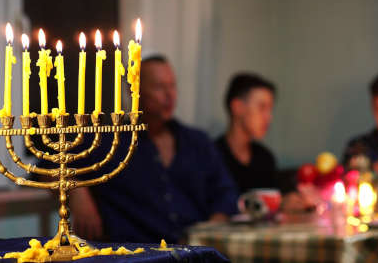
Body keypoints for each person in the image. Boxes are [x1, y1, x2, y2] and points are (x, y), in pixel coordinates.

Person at [57, 55, 238, 243]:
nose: (169, 95)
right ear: (134, 91)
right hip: (138, 253)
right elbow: (51, 163)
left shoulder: (197, 141)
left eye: (172, 86)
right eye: (159, 87)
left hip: (195, 249)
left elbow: (226, 192)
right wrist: (77, 191)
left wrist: (211, 229)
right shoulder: (109, 141)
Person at [215, 73, 310, 211]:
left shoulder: (264, 157)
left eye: (270, 109)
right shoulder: (213, 156)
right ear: (237, 107)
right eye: (261, 108)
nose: (268, 117)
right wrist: (278, 205)